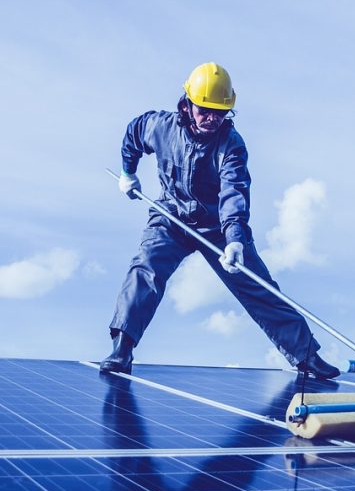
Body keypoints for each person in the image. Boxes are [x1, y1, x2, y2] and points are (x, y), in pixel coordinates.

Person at [100, 62, 339, 380]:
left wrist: (236, 239)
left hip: (219, 229)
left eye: (220, 111)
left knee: (258, 285)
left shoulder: (232, 146)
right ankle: (122, 349)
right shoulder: (160, 127)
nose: (213, 118)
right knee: (146, 269)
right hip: (170, 218)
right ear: (187, 104)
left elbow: (233, 192)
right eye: (205, 110)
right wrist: (128, 173)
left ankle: (307, 356)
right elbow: (133, 134)